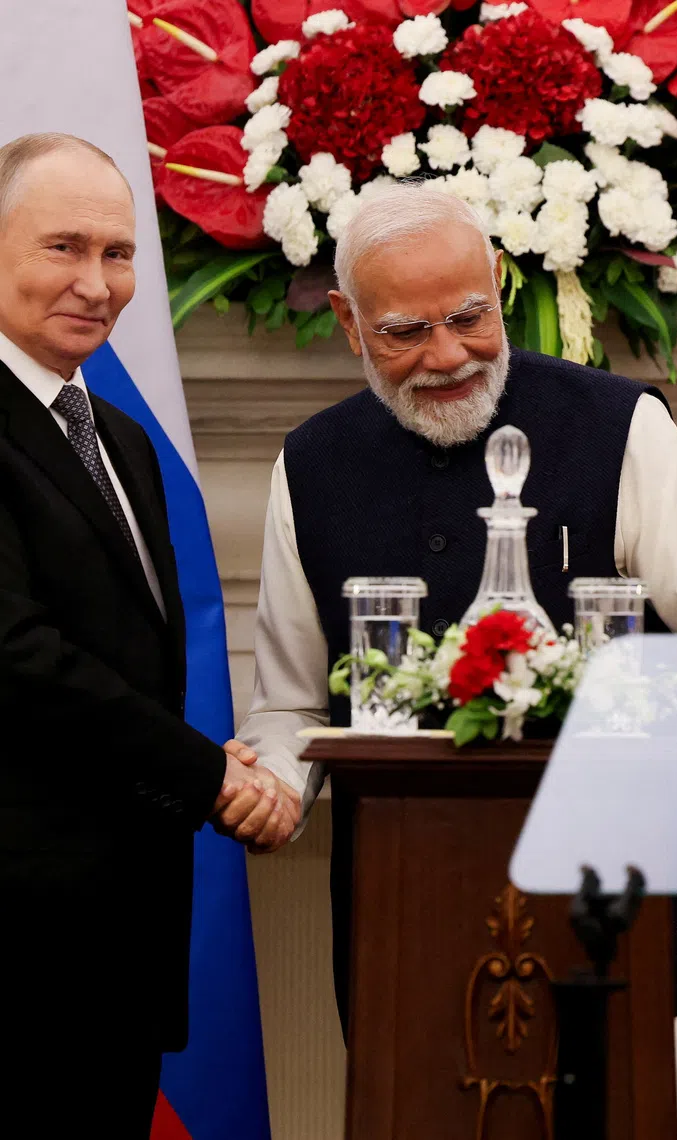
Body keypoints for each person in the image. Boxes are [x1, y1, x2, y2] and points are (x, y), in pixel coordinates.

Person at [239, 181, 677, 1136]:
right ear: (349, 324)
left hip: (641, 940)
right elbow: (293, 705)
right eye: (404, 332)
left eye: (470, 317)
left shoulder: (620, 428)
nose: (447, 356)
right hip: (412, 949)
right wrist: (268, 787)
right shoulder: (309, 467)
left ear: (502, 284)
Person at [0, 133, 300, 1134]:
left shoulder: (116, 437)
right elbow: (20, 660)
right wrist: (209, 775)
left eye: (119, 253)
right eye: (63, 248)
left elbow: (128, 659)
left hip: (115, 953)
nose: (98, 283)